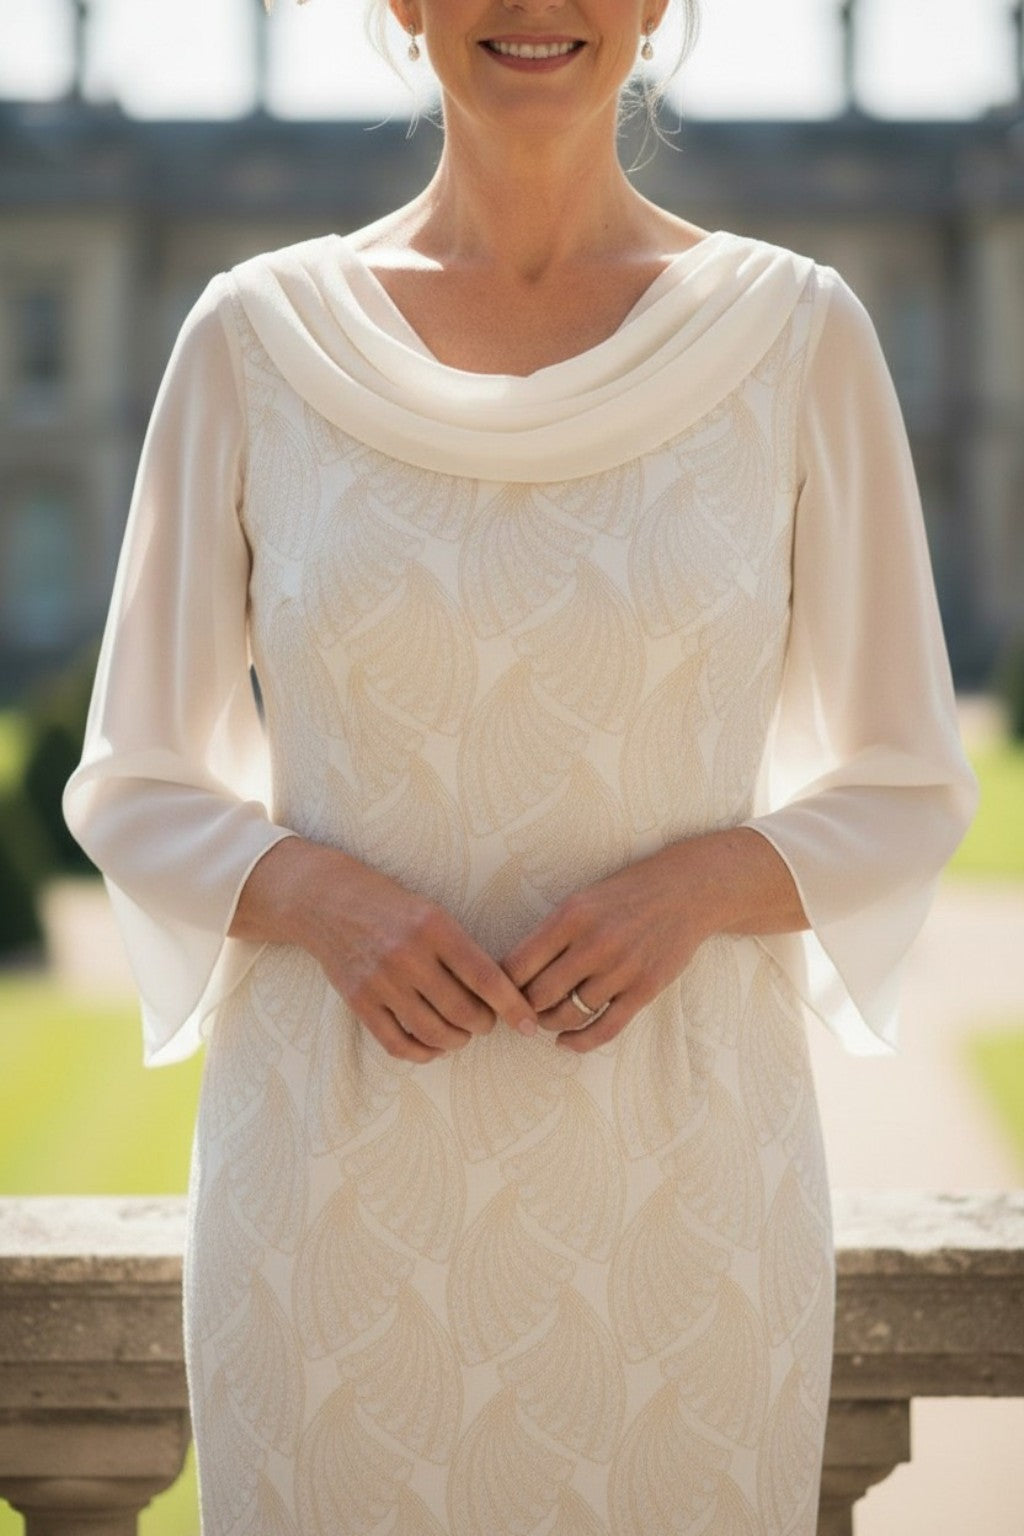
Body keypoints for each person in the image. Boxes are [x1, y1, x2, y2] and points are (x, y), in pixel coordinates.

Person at [64, 0, 978, 1531]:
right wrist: (308, 892)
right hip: (335, 1181)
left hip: (681, 1180)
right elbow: (132, 776)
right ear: (404, 3)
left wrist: (704, 885)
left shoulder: (798, 331)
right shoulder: (253, 337)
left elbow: (904, 778)